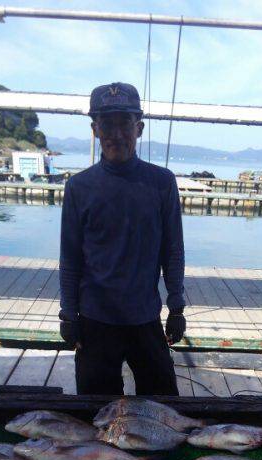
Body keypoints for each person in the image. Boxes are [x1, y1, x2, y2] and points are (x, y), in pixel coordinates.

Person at [58, 81, 186, 395]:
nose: (117, 134)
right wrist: (68, 313)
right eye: (107, 124)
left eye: (125, 124)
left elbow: (173, 251)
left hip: (145, 318)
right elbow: (70, 257)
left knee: (163, 405)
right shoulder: (79, 187)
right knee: (96, 413)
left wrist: (177, 307)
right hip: (94, 320)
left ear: (139, 128)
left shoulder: (162, 182)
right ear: (95, 130)